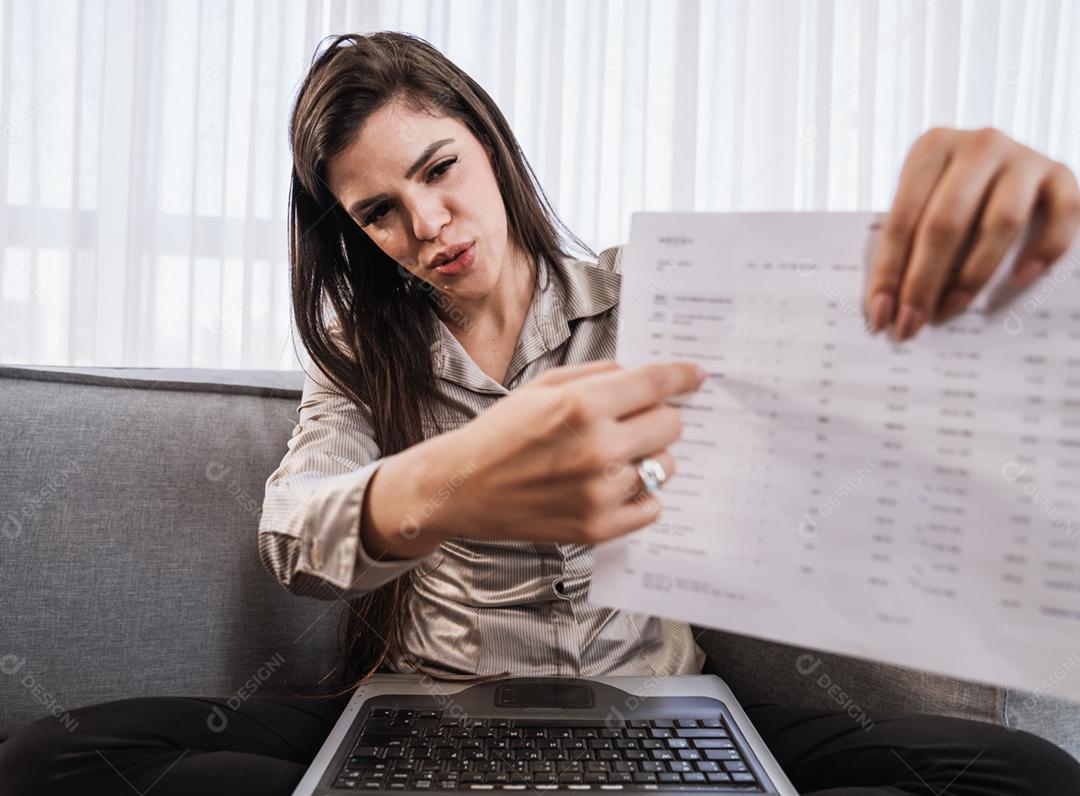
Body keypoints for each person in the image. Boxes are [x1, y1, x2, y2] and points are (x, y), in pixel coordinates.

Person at [3, 30, 1079, 796]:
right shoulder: (364, 362)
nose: (427, 224)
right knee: (54, 757)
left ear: (490, 145)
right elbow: (296, 531)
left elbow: (879, 350)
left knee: (1024, 769)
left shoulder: (659, 291)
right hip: (429, 710)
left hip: (661, 704)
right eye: (378, 211)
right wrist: (453, 481)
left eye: (439, 169)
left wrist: (1002, 249)